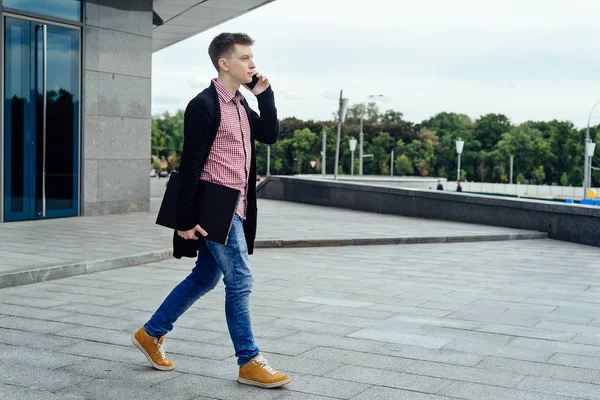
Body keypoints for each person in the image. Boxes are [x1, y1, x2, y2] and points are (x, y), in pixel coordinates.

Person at [132, 32, 291, 389]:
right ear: (224, 63)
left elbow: (270, 134)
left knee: (206, 277)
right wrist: (186, 220)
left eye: (252, 58)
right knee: (241, 279)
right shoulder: (203, 105)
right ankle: (249, 360)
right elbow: (191, 166)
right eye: (245, 58)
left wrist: (265, 96)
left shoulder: (241, 106)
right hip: (215, 209)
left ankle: (151, 333)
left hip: (237, 204)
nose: (252, 64)